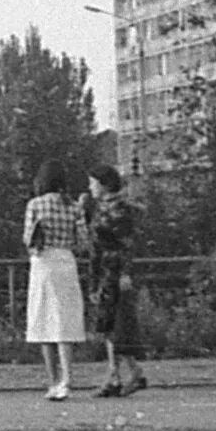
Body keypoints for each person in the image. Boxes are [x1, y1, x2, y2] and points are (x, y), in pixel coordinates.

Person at [20, 162, 91, 403]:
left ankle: (52, 381)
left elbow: (28, 240)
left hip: (43, 263)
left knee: (43, 322)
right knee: (65, 320)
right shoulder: (73, 207)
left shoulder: (34, 205)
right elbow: (83, 242)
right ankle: (67, 379)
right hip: (66, 262)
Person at [84, 165, 148, 397]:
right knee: (110, 325)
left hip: (113, 271)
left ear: (104, 184)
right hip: (104, 272)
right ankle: (123, 373)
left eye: (93, 182)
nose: (90, 187)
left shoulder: (119, 211)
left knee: (115, 325)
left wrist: (125, 273)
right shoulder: (104, 208)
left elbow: (126, 245)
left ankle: (119, 374)